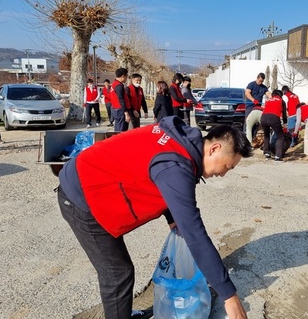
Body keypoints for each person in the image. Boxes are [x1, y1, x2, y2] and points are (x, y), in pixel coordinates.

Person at [57, 116, 252, 319]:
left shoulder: (181, 141)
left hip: (95, 183)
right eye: (227, 167)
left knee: (119, 272)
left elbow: (160, 174)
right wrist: (229, 296)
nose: (223, 174)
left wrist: (171, 216)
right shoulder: (176, 167)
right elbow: (195, 234)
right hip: (82, 198)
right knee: (117, 274)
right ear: (214, 149)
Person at [260, 89, 287, 162]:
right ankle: (278, 155)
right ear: (280, 95)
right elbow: (284, 114)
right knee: (280, 136)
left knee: (266, 135)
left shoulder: (268, 100)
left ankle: (266, 152)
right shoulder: (281, 101)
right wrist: (285, 123)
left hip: (263, 117)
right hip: (273, 118)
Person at [111, 68, 132, 132]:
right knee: (121, 130)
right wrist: (126, 113)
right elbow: (121, 99)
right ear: (123, 76)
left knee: (118, 128)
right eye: (126, 76)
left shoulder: (114, 83)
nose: (126, 78)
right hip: (120, 110)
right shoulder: (118, 86)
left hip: (116, 109)